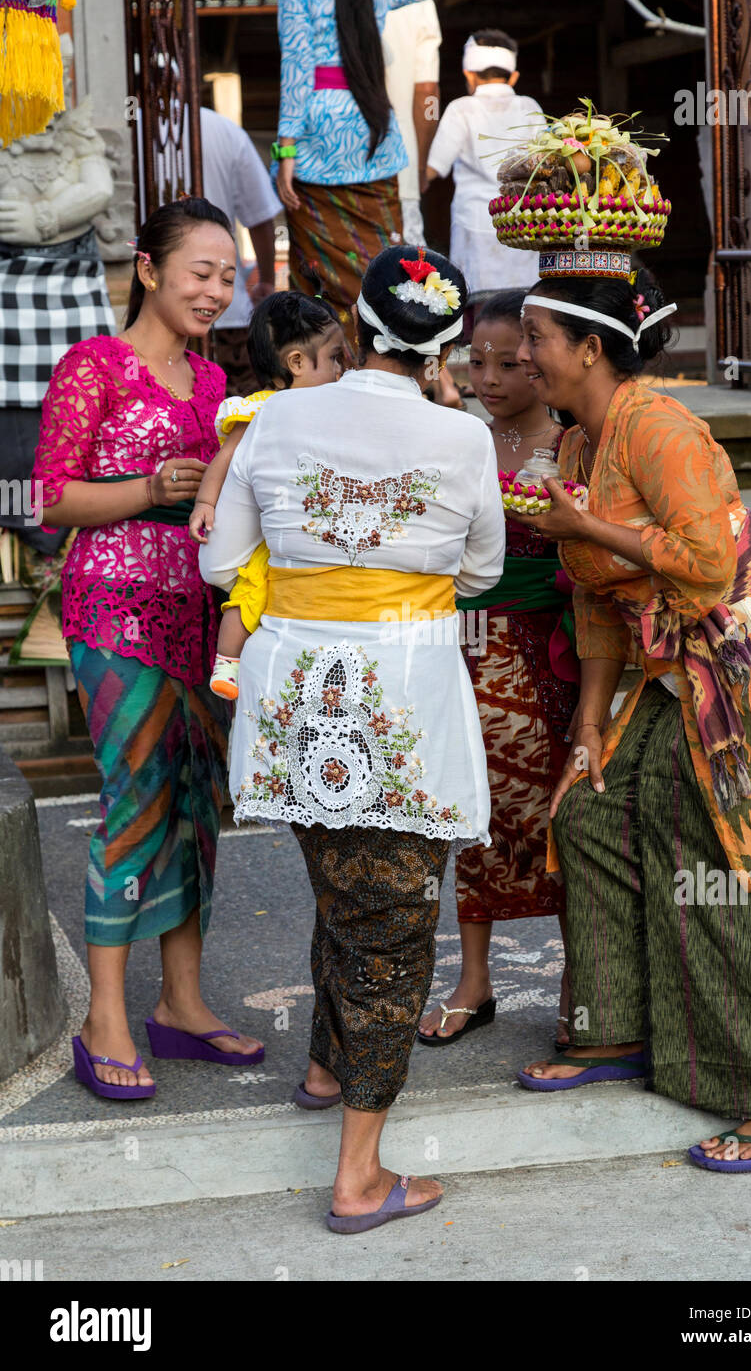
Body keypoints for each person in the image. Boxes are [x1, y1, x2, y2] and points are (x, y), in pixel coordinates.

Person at [512, 269, 751, 1172]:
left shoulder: (660, 427)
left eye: (536, 338)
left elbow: (705, 564)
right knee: (591, 814)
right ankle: (618, 1030)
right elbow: (597, 605)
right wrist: (588, 728)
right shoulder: (581, 447)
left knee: (741, 870)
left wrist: (587, 530)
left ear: (589, 349)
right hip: (681, 667)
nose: (522, 356)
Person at [199, 244, 504, 1230]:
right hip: (403, 692)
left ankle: (329, 1066)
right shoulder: (460, 437)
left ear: (358, 326)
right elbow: (482, 573)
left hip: (291, 691)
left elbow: (219, 561)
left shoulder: (275, 414)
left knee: (343, 884)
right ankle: (358, 1177)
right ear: (440, 346)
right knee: (391, 922)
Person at [33, 197, 265, 1101]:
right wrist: (144, 488)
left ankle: (181, 1006)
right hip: (115, 611)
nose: (217, 290)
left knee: (199, 807)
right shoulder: (95, 367)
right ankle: (106, 1021)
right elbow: (49, 499)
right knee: (134, 804)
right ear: (148, 269)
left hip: (203, 614)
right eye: (202, 272)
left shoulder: (213, 385)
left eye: (228, 275)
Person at [418, 290, 579, 1046]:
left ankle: (587, 973)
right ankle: (474, 981)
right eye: (473, 361)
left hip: (556, 648)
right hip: (470, 645)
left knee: (568, 812)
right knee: (473, 812)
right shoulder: (457, 441)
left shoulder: (574, 443)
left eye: (508, 362)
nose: (488, 377)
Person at [189, 289, 347, 698]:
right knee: (249, 589)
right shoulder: (259, 410)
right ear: (296, 362)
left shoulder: (336, 409)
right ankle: (227, 664)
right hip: (268, 533)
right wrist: (206, 503)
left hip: (316, 531)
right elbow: (222, 462)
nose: (341, 370)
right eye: (334, 358)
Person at [273, 0, 450, 332]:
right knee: (383, 259)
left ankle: (327, 362)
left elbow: (296, 68)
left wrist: (286, 149)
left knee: (317, 271)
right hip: (372, 128)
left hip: (316, 138)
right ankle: (388, 344)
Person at [425, 29, 543, 301]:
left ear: (469, 74)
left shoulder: (461, 108)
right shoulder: (530, 107)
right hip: (521, 225)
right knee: (522, 305)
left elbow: (434, 168)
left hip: (474, 225)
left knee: (477, 308)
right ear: (513, 77)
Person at [200, 106, 284, 396]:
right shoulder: (225, 132)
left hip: (162, 308)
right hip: (227, 311)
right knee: (239, 416)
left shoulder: (141, 128)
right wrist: (266, 283)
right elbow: (261, 217)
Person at [382, 0, 442, 244]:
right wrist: (419, 164)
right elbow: (428, 93)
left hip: (333, 160)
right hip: (400, 162)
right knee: (404, 269)